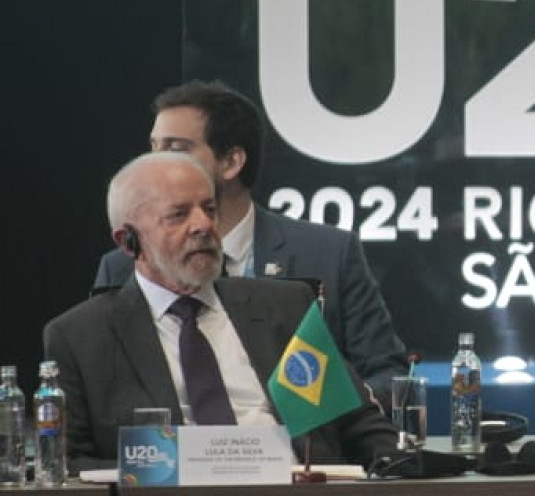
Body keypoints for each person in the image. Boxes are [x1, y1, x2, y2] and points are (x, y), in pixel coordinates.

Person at [48, 152, 398, 467]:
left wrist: (403, 473)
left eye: (209, 209)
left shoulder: (285, 307)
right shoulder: (81, 338)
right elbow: (70, 463)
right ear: (128, 242)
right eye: (179, 215)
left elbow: (360, 426)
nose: (204, 225)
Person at [92, 81, 410, 397]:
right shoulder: (126, 264)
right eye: (153, 147)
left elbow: (388, 377)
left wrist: (329, 417)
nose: (156, 163)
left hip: (297, 442)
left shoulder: (329, 255)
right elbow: (101, 389)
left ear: (231, 162)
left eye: (176, 149)